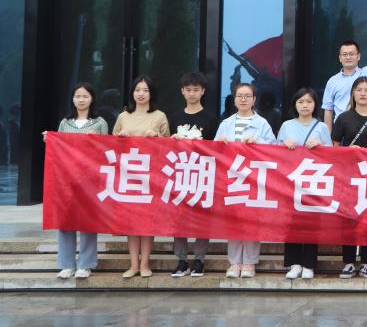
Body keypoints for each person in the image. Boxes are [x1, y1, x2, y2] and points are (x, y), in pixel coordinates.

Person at [45, 82, 108, 279]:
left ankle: (85, 264)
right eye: (78, 96)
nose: (81, 100)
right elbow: (58, 151)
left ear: (92, 99)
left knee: (87, 221)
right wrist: (50, 140)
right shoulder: (65, 123)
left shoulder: (99, 122)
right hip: (66, 179)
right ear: (72, 99)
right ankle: (66, 264)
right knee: (65, 220)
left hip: (90, 179)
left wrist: (97, 140)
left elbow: (107, 150)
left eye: (85, 96)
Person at [214, 82, 276, 279]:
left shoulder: (262, 123)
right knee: (233, 220)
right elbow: (213, 150)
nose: (243, 99)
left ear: (254, 99)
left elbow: (274, 149)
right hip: (231, 177)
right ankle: (234, 262)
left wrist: (258, 142)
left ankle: (249, 262)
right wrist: (219, 144)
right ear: (234, 99)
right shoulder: (225, 124)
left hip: (253, 177)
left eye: (247, 96)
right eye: (239, 96)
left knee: (251, 220)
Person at [331, 76, 367, 279]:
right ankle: (348, 262)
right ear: (353, 93)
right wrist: (349, 151)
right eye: (359, 89)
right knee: (347, 218)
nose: (363, 93)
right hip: (348, 176)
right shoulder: (343, 118)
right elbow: (335, 148)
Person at [113, 76, 170, 279]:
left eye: (145, 90)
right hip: (128, 174)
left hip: (151, 175)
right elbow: (110, 145)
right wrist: (120, 138)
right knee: (131, 222)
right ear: (132, 93)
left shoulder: (160, 116)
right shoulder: (123, 116)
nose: (141, 94)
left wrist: (156, 137)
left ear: (151, 93)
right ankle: (133, 264)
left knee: (147, 221)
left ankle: (145, 263)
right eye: (137, 90)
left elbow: (169, 145)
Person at [167, 71, 218, 279]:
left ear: (203, 91)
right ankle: (181, 260)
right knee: (178, 218)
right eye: (188, 90)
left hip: (202, 173)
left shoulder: (211, 118)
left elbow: (217, 149)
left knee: (201, 217)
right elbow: (165, 148)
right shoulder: (175, 117)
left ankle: (199, 260)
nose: (192, 93)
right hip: (179, 173)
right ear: (182, 91)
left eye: (196, 90)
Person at [277, 88, 332, 280]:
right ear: (295, 105)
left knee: (311, 222)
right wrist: (284, 145)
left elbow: (331, 154)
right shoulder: (286, 125)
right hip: (290, 181)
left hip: (312, 181)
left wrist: (320, 146)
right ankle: (294, 263)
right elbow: (273, 152)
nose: (305, 105)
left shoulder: (321, 127)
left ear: (315, 105)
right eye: (300, 102)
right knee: (291, 222)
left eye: (309, 101)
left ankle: (309, 264)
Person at [322, 23, 367, 133]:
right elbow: (328, 111)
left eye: (352, 54)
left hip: (365, 129)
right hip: (341, 131)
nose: (348, 57)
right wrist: (328, 139)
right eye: (345, 54)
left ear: (359, 56)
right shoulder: (332, 81)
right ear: (340, 58)